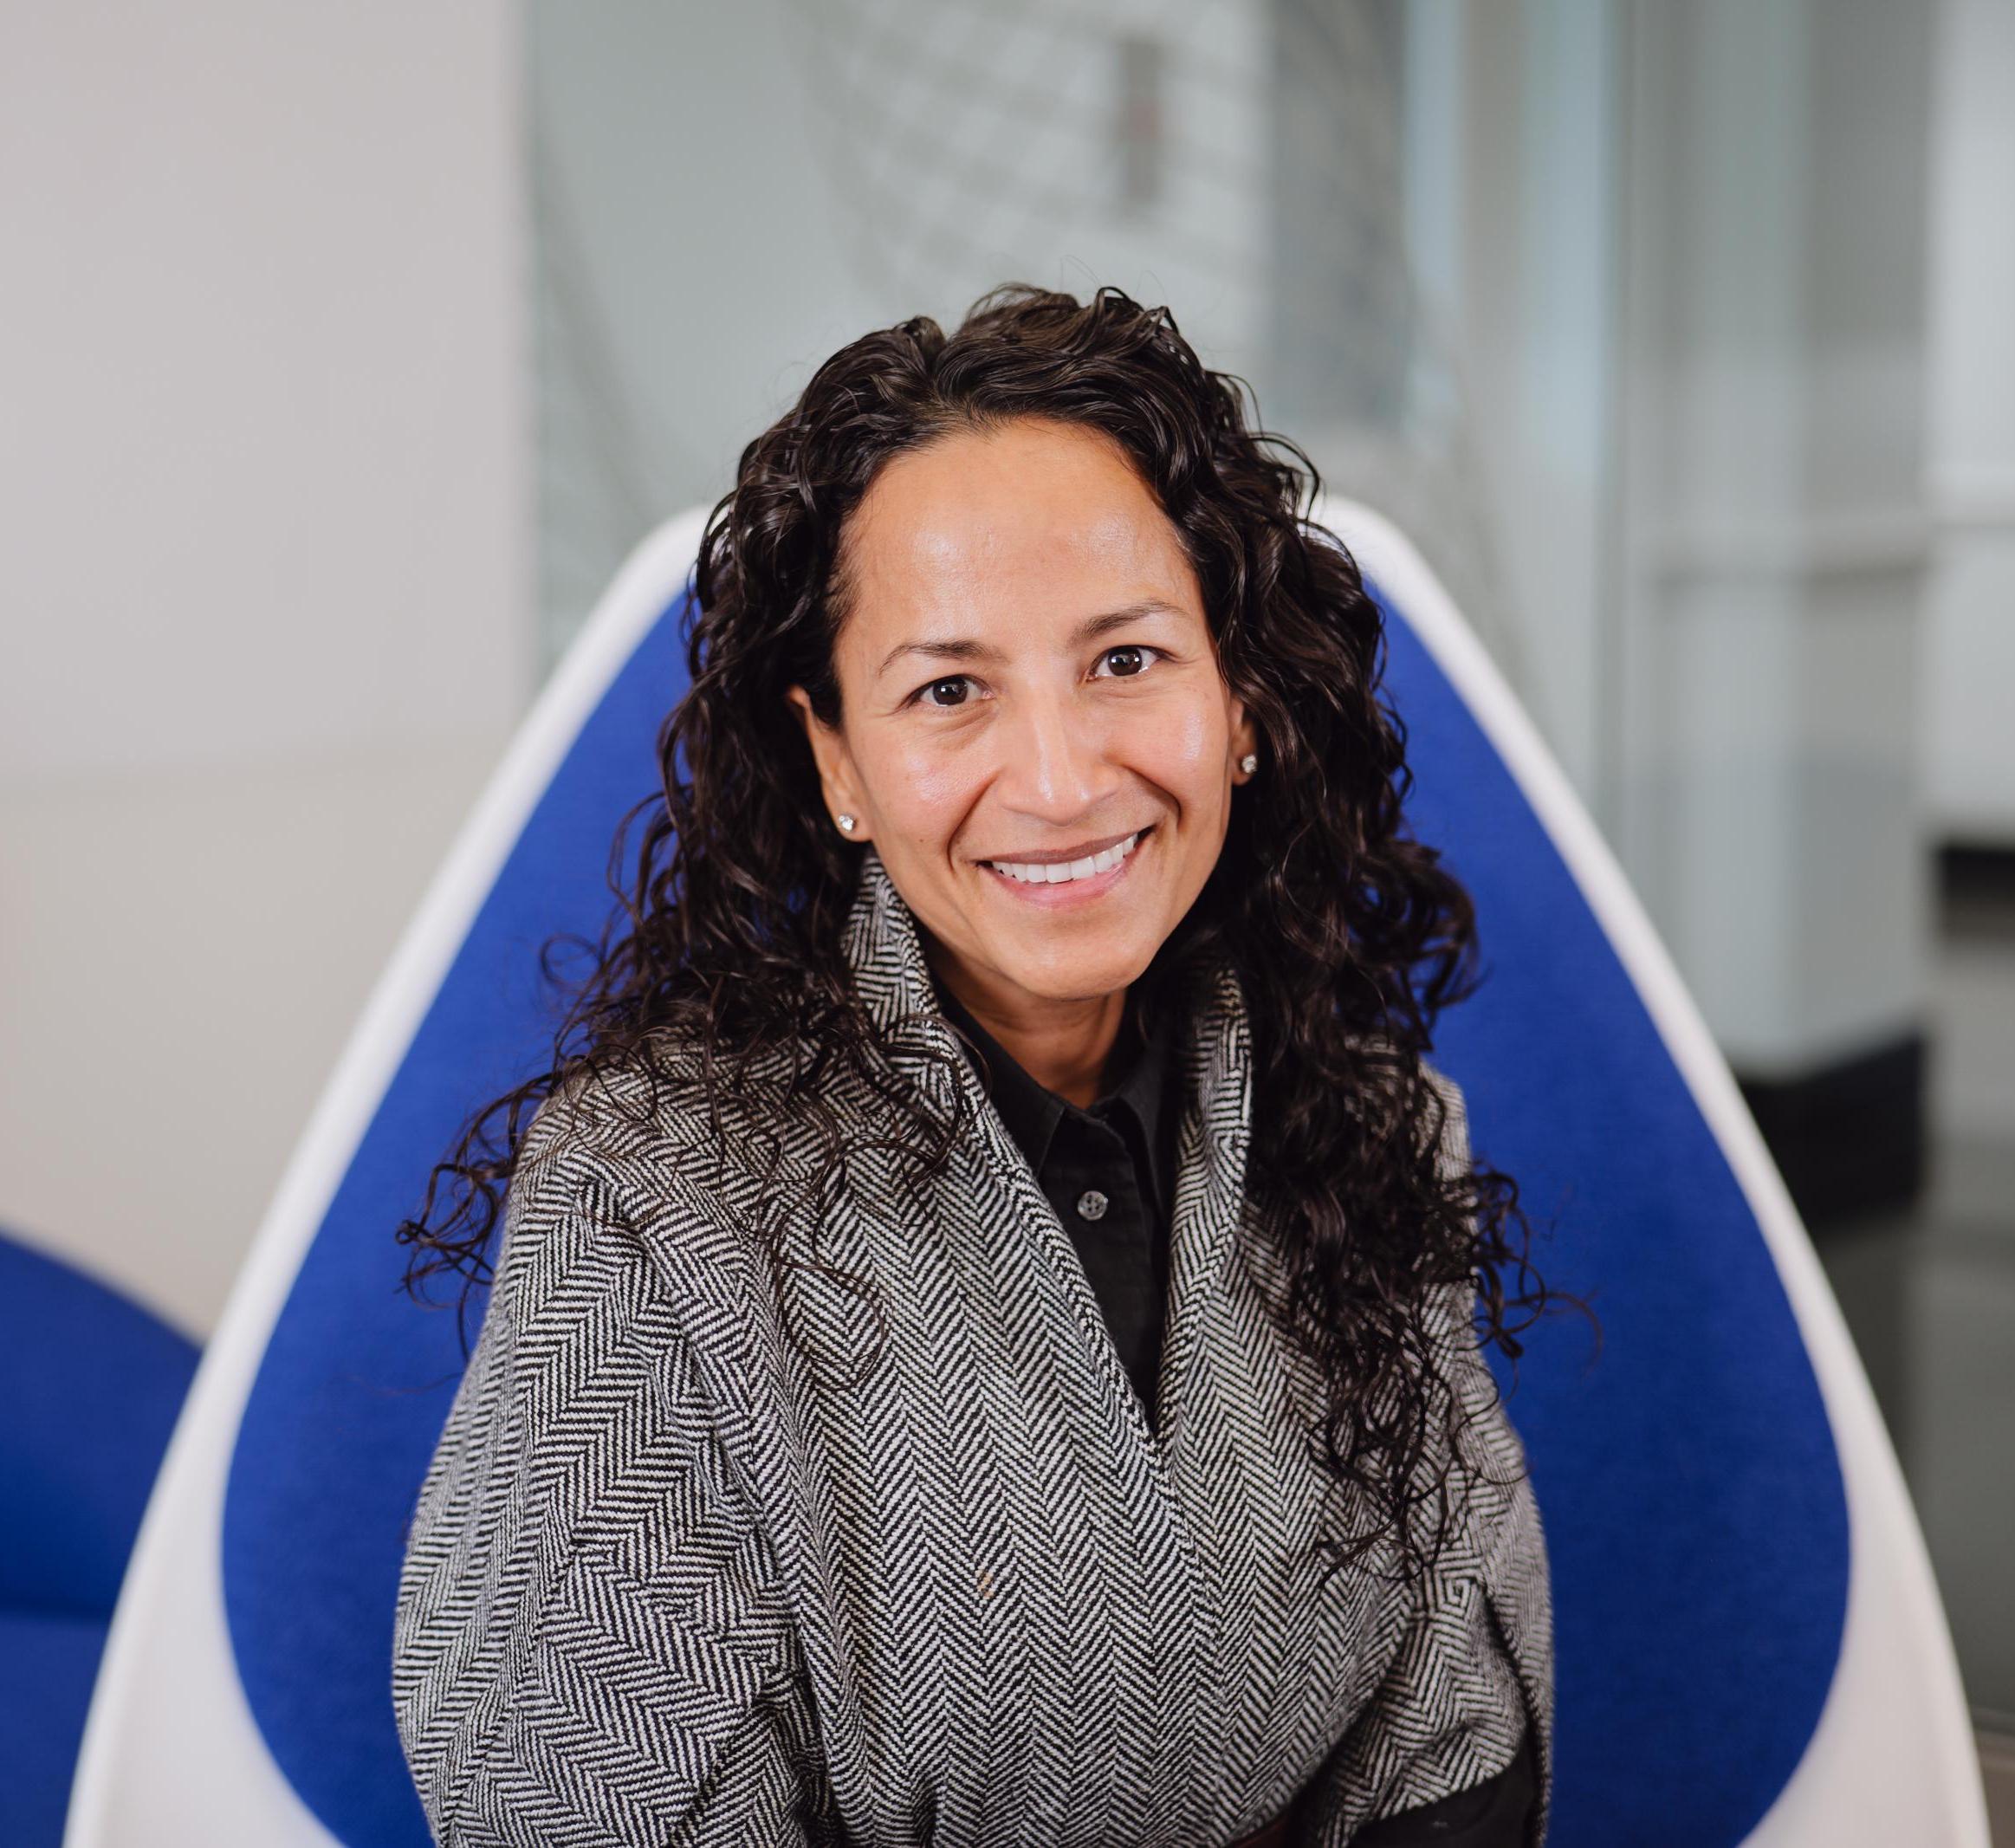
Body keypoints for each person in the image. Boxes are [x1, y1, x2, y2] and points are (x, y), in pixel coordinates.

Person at [392, 284, 1556, 1846]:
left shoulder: (1380, 1133)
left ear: (1242, 701)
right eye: (950, 690)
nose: (1065, 779)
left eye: (1128, 659)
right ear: (836, 763)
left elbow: (1457, 1728)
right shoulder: (651, 1201)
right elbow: (586, 1787)